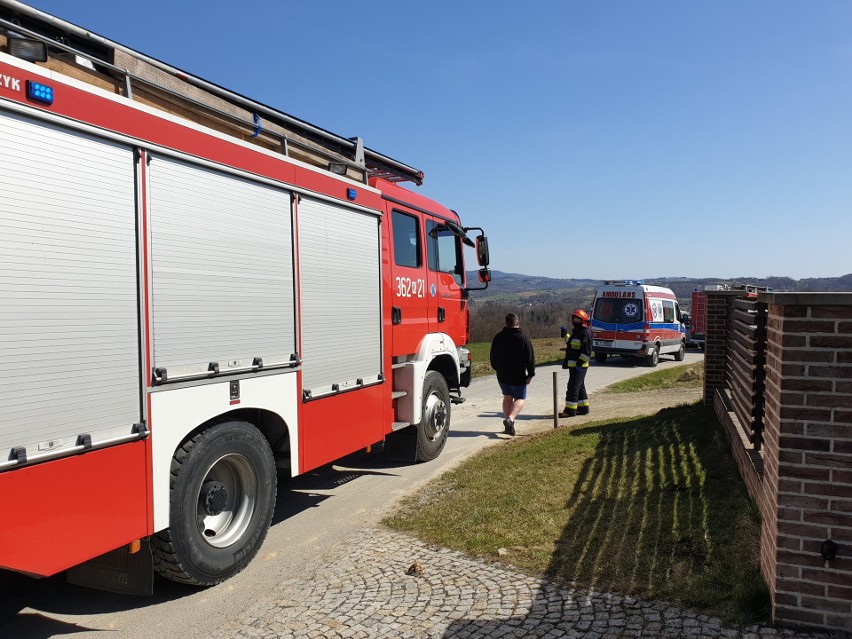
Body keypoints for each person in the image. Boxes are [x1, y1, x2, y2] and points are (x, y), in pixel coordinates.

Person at [489, 313, 535, 436]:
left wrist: (497, 368)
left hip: (502, 374)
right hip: (518, 374)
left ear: (506, 323)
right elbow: (529, 358)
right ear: (517, 323)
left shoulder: (498, 337)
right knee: (520, 398)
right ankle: (510, 419)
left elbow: (493, 356)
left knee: (507, 397)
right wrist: (530, 373)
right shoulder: (523, 337)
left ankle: (509, 426)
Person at [559, 309, 592, 418]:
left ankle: (570, 410)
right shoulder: (577, 332)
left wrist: (579, 363)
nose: (575, 321)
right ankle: (583, 408)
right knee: (580, 386)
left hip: (580, 366)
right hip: (574, 366)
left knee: (573, 387)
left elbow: (587, 352)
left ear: (582, 321)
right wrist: (565, 335)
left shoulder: (585, 333)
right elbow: (571, 343)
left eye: (577, 319)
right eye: (574, 319)